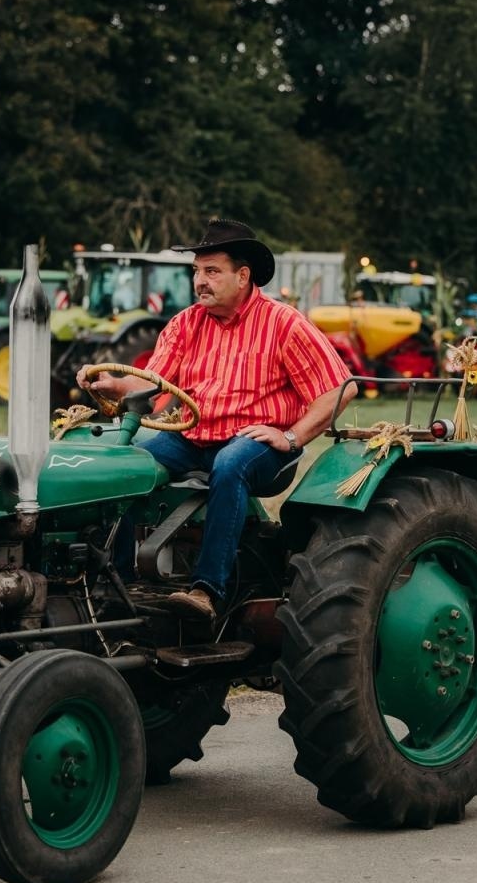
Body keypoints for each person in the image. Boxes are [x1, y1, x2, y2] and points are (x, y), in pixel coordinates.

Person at [78, 220, 354, 619]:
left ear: (242, 276)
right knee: (127, 464)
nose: (200, 281)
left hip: (254, 443)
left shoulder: (284, 324)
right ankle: (118, 581)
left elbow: (340, 388)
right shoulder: (186, 324)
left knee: (230, 464)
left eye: (212, 271)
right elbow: (151, 386)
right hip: (193, 437)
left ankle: (207, 591)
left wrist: (292, 437)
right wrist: (111, 384)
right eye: (196, 271)